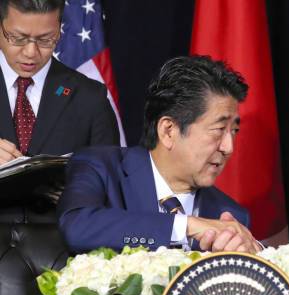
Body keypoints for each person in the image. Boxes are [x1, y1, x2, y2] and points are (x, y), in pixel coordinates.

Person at [57, 55, 260, 255]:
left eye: (234, 131)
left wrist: (256, 249)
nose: (228, 147)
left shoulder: (231, 217)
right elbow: (78, 227)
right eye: (219, 129)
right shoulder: (100, 168)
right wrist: (185, 226)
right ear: (168, 130)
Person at [0, 0, 118, 165]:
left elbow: (109, 177)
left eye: (46, 40)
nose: (30, 52)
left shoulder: (91, 98)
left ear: (58, 33)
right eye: (19, 38)